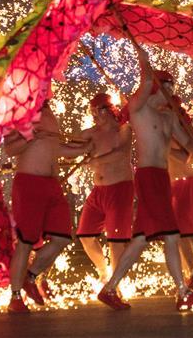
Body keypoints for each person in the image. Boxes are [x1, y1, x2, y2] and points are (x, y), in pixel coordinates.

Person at [97, 46, 193, 311]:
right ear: (156, 88)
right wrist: (142, 57)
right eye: (167, 88)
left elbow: (186, 146)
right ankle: (183, 293)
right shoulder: (139, 109)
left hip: (162, 178)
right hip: (148, 177)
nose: (172, 95)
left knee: (141, 239)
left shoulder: (169, 117)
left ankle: (110, 288)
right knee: (171, 235)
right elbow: (147, 80)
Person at [2, 100, 91, 313]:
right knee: (25, 241)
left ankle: (30, 277)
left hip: (52, 184)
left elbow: (55, 148)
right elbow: (10, 149)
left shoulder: (49, 113)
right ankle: (15, 298)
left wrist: (84, 148)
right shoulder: (20, 112)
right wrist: (31, 134)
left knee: (62, 237)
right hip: (29, 182)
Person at [74, 93, 135, 282]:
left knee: (115, 241)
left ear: (109, 110)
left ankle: (115, 285)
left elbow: (122, 152)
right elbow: (70, 149)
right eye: (91, 111)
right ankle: (104, 272)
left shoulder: (122, 129)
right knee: (85, 235)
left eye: (97, 110)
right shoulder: (90, 133)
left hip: (119, 189)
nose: (94, 115)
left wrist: (95, 160)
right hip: (98, 191)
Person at [166, 86, 193, 289]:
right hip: (176, 184)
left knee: (179, 233)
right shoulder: (168, 124)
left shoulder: (184, 127)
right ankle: (191, 273)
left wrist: (164, 150)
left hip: (186, 183)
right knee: (176, 234)